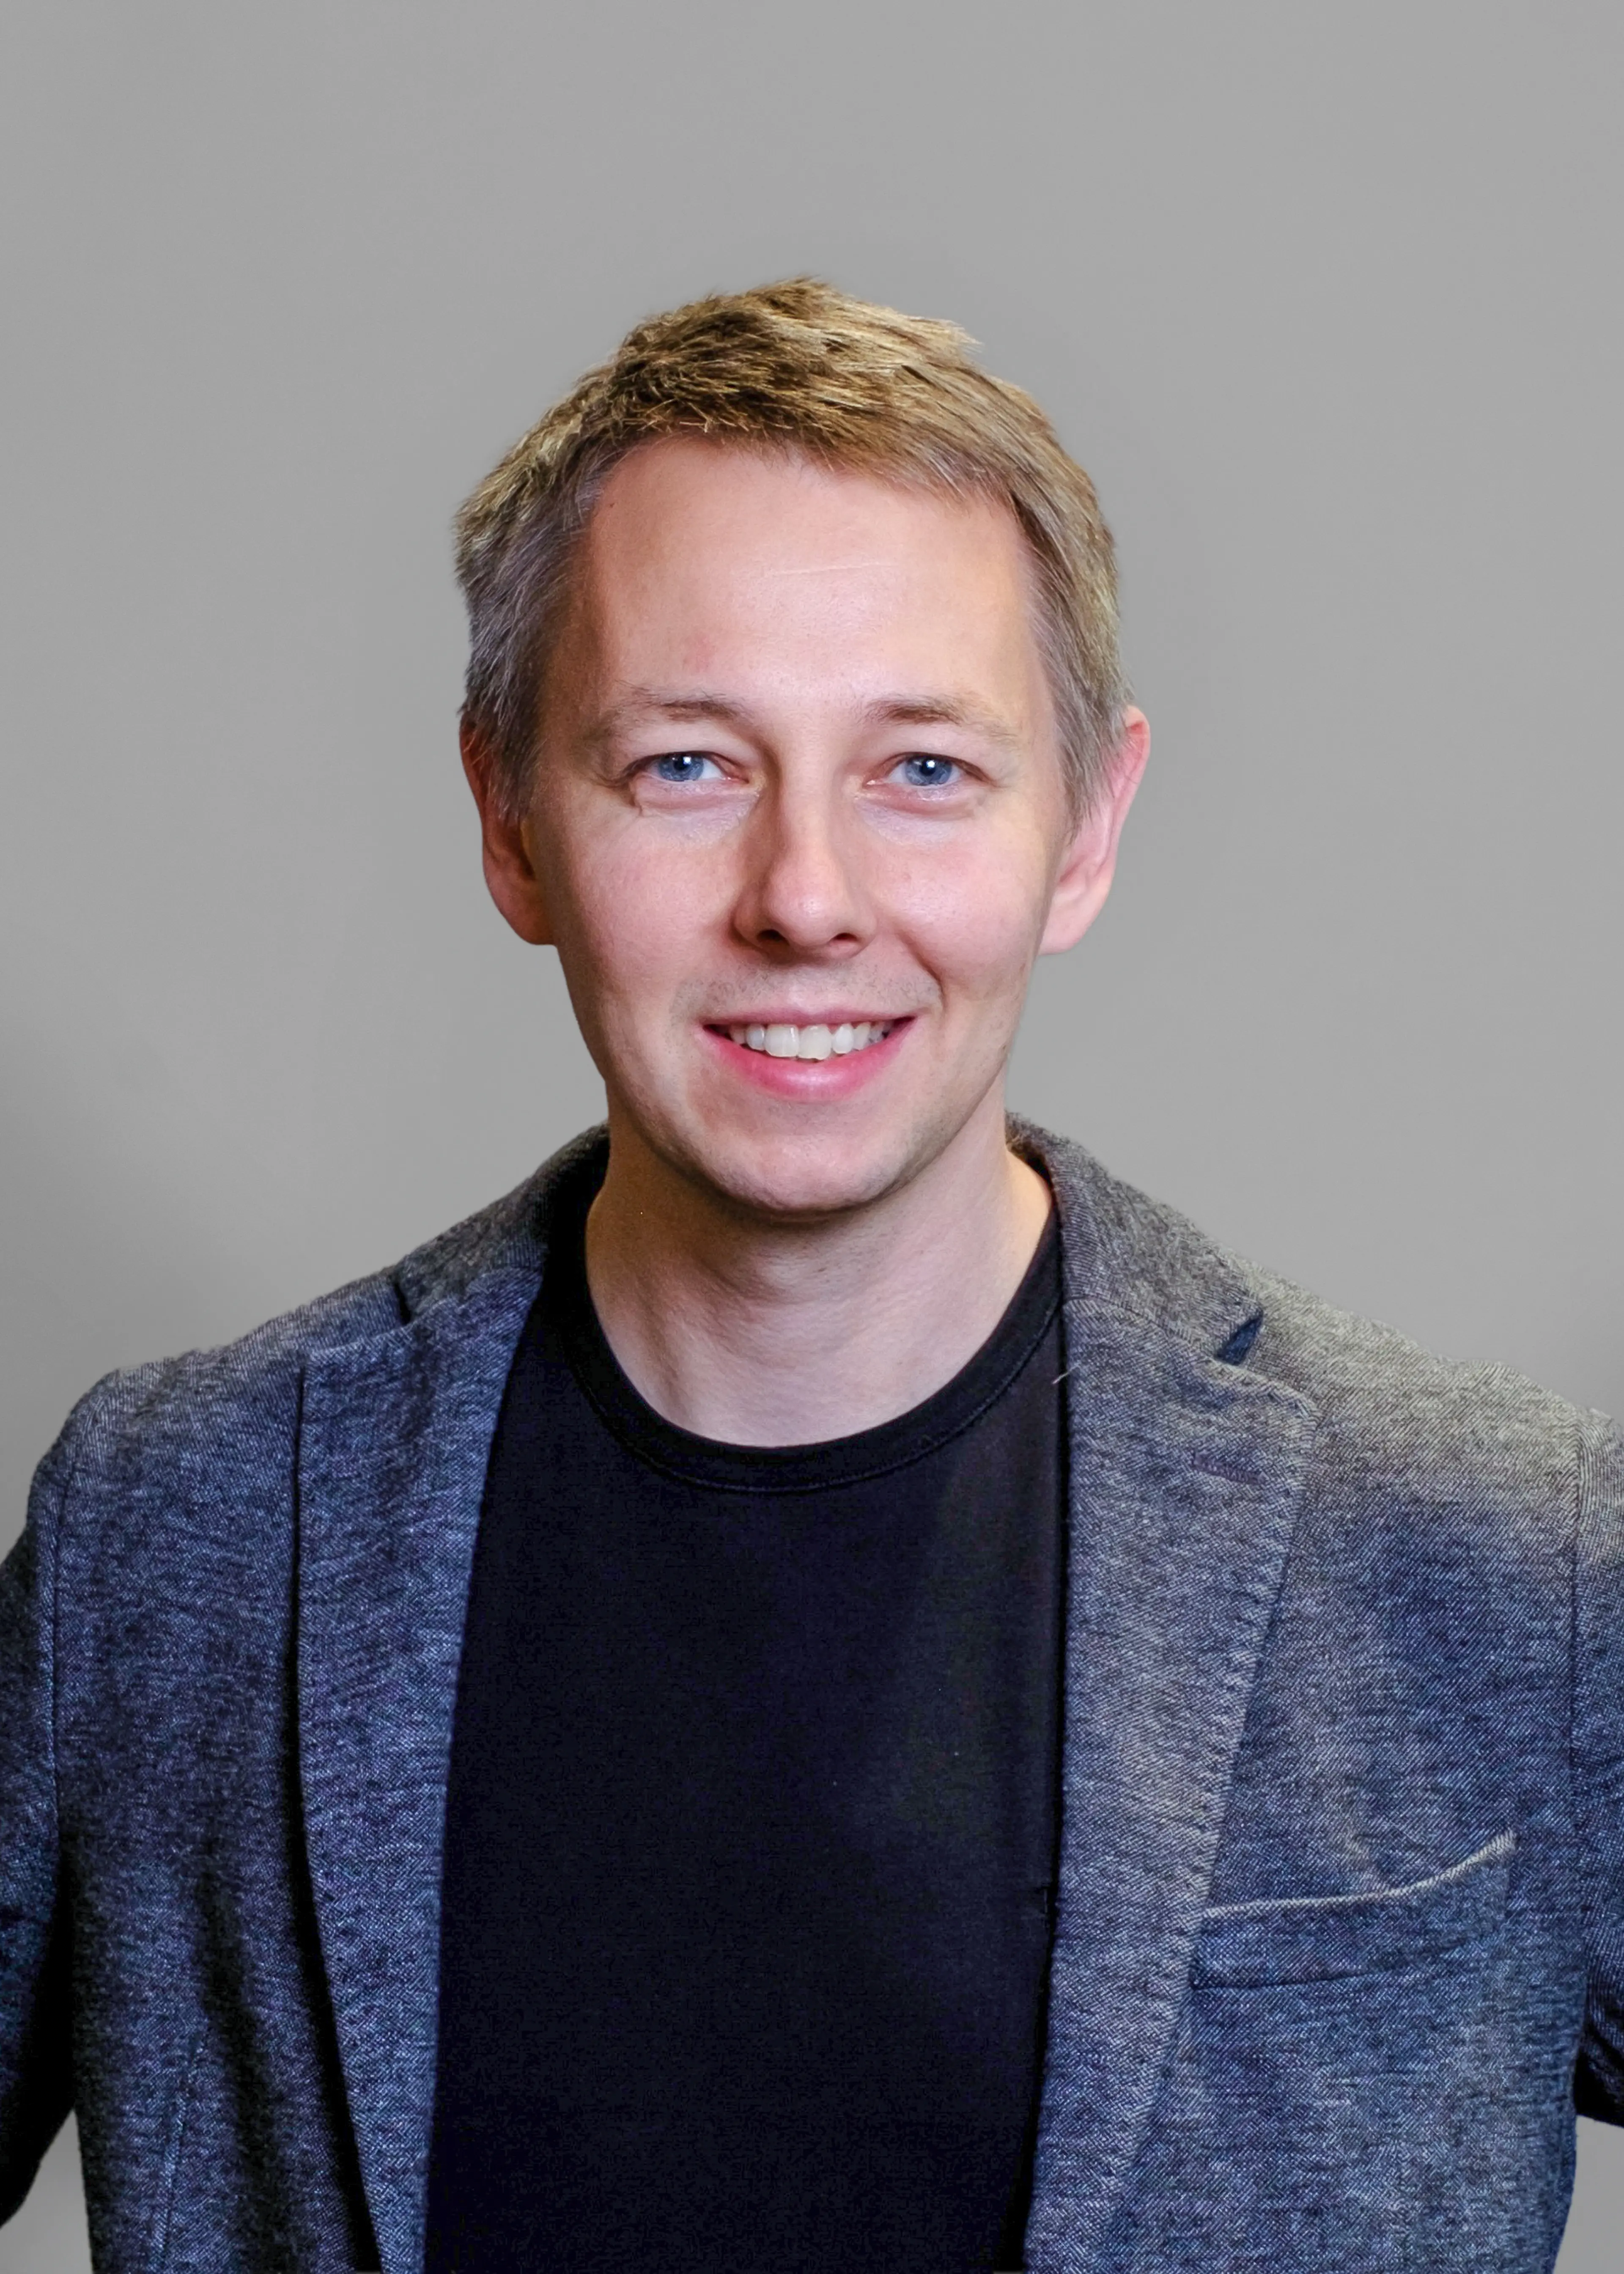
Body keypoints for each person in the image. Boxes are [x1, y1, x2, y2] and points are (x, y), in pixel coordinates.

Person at [1, 278, 1619, 2274]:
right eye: (687, 765)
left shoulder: (1501, 1556)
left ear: (1085, 829)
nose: (806, 899)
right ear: (511, 820)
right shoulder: (173, 1536)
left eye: (923, 769)